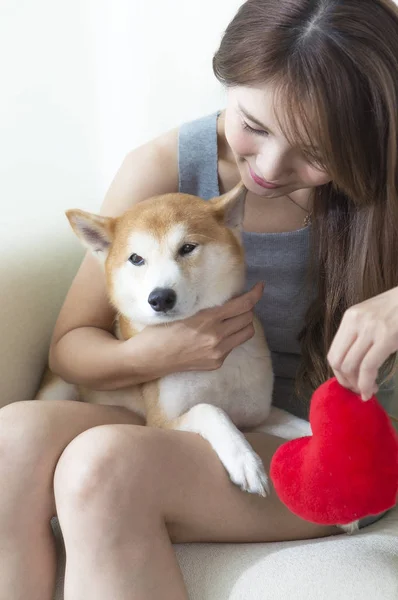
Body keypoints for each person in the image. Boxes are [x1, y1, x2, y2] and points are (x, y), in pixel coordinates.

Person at [1, 0, 398, 598]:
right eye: (254, 126)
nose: (267, 167)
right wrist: (172, 352)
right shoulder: (163, 168)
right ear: (226, 79)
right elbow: (71, 347)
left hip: (339, 446)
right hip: (181, 406)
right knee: (12, 440)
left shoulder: (383, 171)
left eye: (316, 153)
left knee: (103, 470)